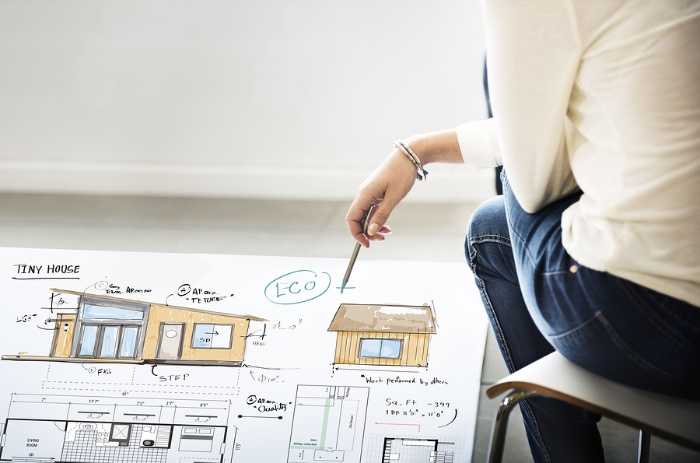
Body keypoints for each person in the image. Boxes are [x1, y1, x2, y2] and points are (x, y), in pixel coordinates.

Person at [345, 1, 700, 461]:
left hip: (658, 323)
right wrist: (419, 151)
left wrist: (423, 151)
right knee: (492, 229)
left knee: (502, 208)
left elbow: (536, 186)